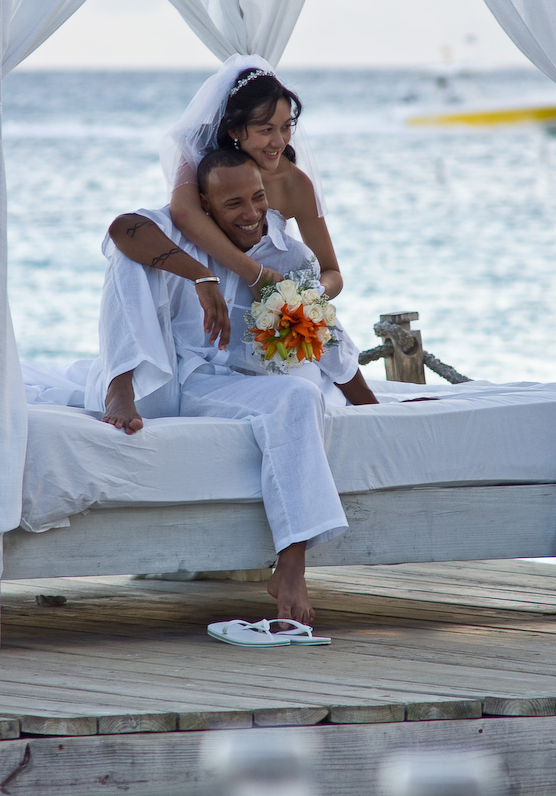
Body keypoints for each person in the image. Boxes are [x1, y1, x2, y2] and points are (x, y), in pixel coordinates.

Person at [87, 149, 377, 625]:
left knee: (301, 396)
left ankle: (291, 566)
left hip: (224, 389)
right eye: (233, 203)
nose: (251, 213)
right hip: (157, 380)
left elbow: (326, 333)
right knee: (126, 257)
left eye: (258, 197)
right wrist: (200, 275)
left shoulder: (289, 256)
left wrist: (369, 403)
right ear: (204, 204)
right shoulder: (178, 234)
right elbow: (122, 227)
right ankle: (116, 383)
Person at [164, 53, 343, 299]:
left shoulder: (294, 183)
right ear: (235, 130)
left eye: (286, 127)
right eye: (266, 130)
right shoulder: (201, 151)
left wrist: (308, 297)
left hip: (268, 311)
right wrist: (254, 274)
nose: (279, 142)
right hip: (204, 299)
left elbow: (332, 272)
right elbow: (183, 213)